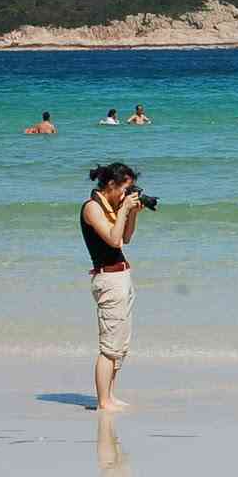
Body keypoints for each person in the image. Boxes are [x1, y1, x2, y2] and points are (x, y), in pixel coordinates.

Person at [81, 162, 145, 411]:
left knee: (120, 344)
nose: (126, 194)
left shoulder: (112, 207)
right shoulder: (92, 208)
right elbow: (113, 238)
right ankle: (103, 401)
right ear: (111, 184)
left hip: (121, 276)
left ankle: (110, 395)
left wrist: (132, 213)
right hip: (108, 280)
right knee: (109, 347)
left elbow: (125, 239)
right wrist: (123, 210)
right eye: (125, 189)